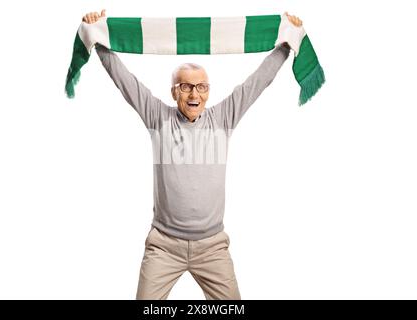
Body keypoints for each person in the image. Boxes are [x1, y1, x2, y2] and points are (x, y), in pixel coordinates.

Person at [82, 10, 303, 300]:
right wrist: (97, 38)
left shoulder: (223, 118)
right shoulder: (158, 117)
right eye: (185, 86)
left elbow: (257, 82)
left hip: (212, 247)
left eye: (201, 86)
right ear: (174, 92)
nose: (193, 93)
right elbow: (125, 80)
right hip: (164, 246)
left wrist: (287, 43)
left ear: (208, 92)